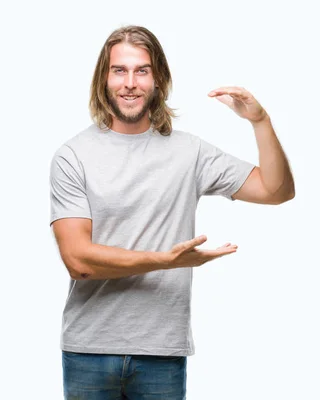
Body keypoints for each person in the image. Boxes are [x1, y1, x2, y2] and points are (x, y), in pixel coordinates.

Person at [49, 25, 294, 399]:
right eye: (120, 70)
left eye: (142, 70)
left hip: (161, 352)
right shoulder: (73, 156)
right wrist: (166, 261)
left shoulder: (190, 153)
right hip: (89, 351)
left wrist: (259, 122)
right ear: (104, 79)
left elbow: (277, 191)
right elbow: (78, 261)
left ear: (158, 79)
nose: (130, 83)